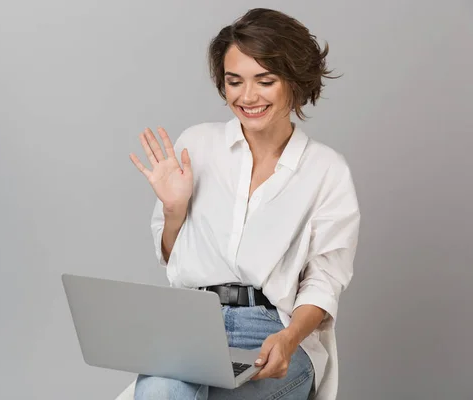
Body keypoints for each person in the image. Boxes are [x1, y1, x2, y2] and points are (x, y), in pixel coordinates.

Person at [128, 7, 360, 400]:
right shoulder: (196, 146)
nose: (247, 96)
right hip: (193, 324)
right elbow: (172, 259)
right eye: (234, 81)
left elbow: (324, 282)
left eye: (265, 81)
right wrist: (174, 210)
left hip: (272, 328)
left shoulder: (326, 171)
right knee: (159, 393)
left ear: (294, 81)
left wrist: (288, 340)